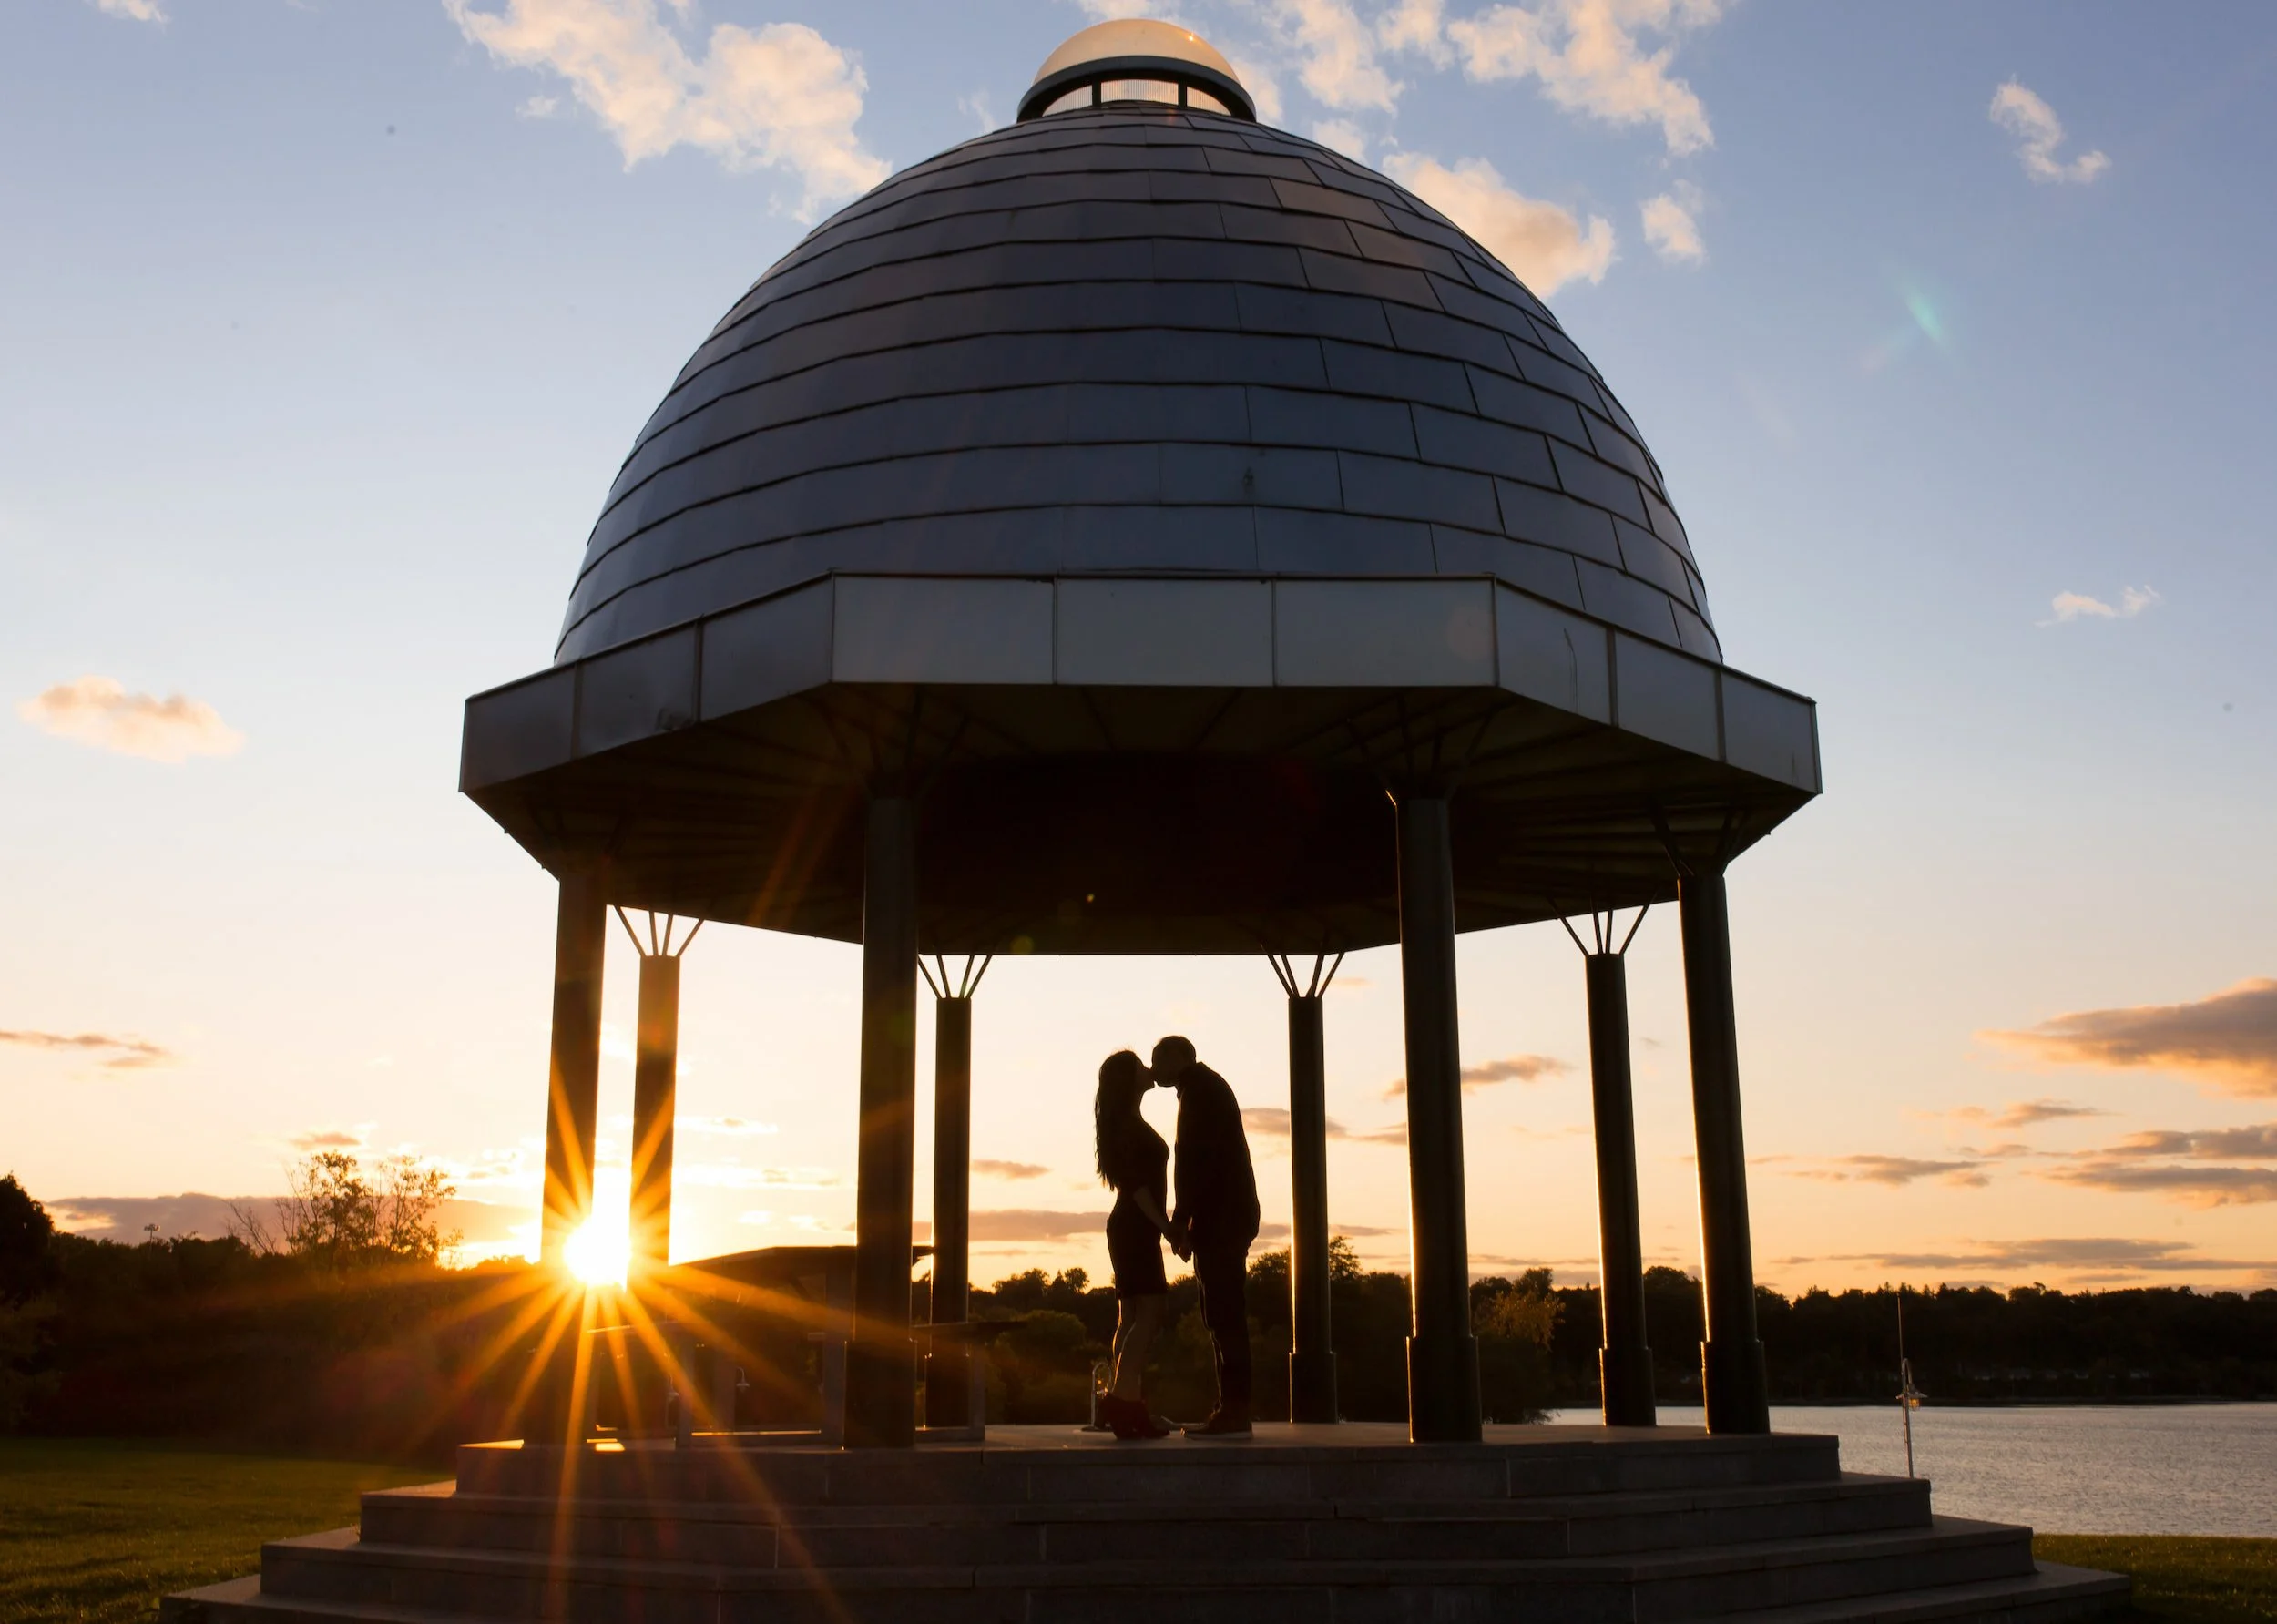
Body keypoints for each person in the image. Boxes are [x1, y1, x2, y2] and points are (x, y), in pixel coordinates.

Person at [1151, 1034, 1259, 1438]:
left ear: (1179, 1058)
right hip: (1227, 1215)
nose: (1154, 1068)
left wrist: (1182, 1221)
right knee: (1222, 1315)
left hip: (1222, 1218)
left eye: (1158, 1059)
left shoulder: (1198, 1091)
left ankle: (1233, 1412)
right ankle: (1230, 1409)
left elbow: (1193, 1159)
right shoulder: (1202, 1087)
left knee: (1224, 1316)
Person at [1093, 1048, 1176, 1439]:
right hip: (1136, 1226)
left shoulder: (1125, 1123)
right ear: (1130, 1079)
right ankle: (1124, 1403)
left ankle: (1124, 1401)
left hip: (1129, 1226)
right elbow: (1138, 1188)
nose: (1149, 1069)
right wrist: (1168, 1227)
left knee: (1130, 1317)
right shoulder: (1127, 1127)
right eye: (1141, 1066)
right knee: (1150, 1313)